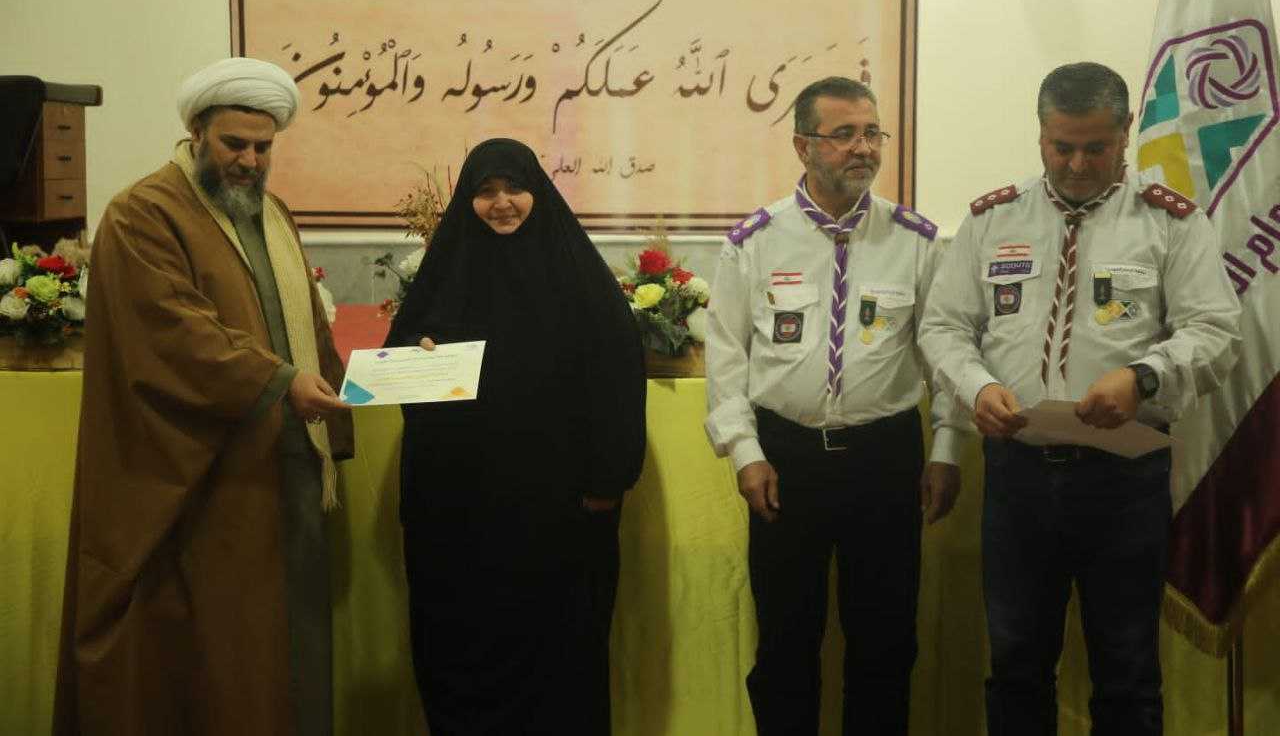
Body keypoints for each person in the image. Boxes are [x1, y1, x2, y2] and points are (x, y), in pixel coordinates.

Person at [918, 61, 1242, 735]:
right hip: (1017, 475)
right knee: (1016, 664)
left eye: (1096, 147)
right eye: (1060, 146)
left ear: (1126, 133)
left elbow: (1215, 330)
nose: (1076, 164)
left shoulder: (1170, 221)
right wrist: (978, 387)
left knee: (1126, 672)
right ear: (1040, 133)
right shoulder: (992, 218)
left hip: (1124, 478)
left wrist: (1144, 376)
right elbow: (944, 326)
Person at [53, 57, 354, 736]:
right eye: (233, 144)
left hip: (282, 469)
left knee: (284, 659)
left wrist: (351, 390)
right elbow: (175, 333)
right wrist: (280, 382)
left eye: (263, 147)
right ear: (196, 133)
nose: (249, 160)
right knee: (218, 665)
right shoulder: (143, 214)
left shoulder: (272, 214)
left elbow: (306, 324)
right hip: (200, 482)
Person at [704, 76, 966, 735]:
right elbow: (727, 357)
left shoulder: (916, 240)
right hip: (786, 460)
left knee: (885, 644)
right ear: (803, 145)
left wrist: (946, 448)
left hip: (886, 459)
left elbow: (945, 352)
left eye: (872, 133)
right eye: (844, 134)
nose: (863, 148)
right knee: (785, 643)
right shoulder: (754, 241)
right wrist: (744, 452)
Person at [383, 138, 647, 735]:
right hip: (459, 521)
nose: (501, 203)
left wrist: (607, 483)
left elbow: (617, 378)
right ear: (467, 200)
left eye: (514, 188)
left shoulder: (578, 277)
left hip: (558, 519)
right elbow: (397, 365)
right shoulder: (445, 274)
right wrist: (419, 354)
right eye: (485, 192)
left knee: (561, 662)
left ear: (538, 193)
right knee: (459, 655)